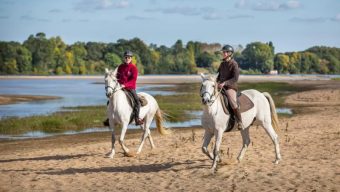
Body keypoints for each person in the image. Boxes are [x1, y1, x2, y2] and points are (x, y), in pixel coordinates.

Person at [104, 50, 144, 126]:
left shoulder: (134, 68)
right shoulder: (120, 67)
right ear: (124, 58)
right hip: (119, 88)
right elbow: (117, 78)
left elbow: (133, 80)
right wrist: (117, 85)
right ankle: (110, 118)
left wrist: (124, 85)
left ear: (131, 58)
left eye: (129, 57)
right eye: (126, 57)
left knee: (137, 102)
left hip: (130, 88)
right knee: (109, 101)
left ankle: (137, 119)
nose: (127, 58)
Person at [216, 44, 244, 130]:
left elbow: (235, 78)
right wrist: (216, 82)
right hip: (221, 86)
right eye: (223, 52)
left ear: (230, 53)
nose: (224, 53)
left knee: (232, 102)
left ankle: (240, 122)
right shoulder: (222, 64)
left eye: (225, 52)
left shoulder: (234, 64)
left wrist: (225, 83)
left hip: (230, 87)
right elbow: (219, 76)